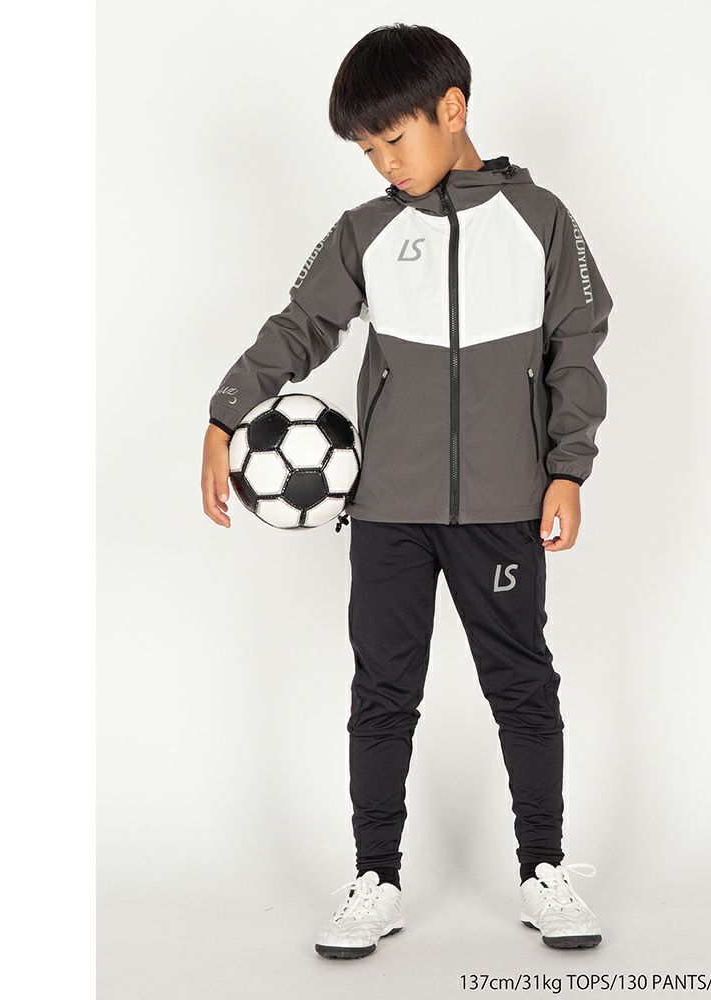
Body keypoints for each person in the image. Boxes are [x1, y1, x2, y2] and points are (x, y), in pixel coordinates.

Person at [200, 23, 614, 959]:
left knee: (522, 685)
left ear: (452, 110)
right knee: (384, 691)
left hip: (504, 507)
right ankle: (375, 878)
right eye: (368, 152)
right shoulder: (366, 231)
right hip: (388, 512)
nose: (385, 164)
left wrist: (568, 469)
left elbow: (577, 351)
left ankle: (544, 869)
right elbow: (301, 326)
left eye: (394, 140)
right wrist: (226, 414)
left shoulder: (541, 219)